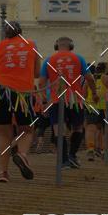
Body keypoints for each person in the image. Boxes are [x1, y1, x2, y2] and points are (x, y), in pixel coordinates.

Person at [0, 21, 40, 182]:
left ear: (6, 34)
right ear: (21, 32)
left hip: (0, 91)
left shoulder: (0, 46)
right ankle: (22, 154)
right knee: (26, 129)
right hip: (22, 93)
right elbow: (37, 73)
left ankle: (3, 173)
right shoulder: (31, 44)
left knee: (3, 132)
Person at [39, 37, 94, 169]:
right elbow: (90, 78)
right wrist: (95, 93)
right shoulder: (79, 58)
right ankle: (72, 155)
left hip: (56, 99)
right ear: (71, 46)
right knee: (78, 127)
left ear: (56, 46)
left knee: (59, 131)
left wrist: (44, 101)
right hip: (75, 99)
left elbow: (41, 83)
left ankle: (63, 161)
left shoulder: (48, 60)